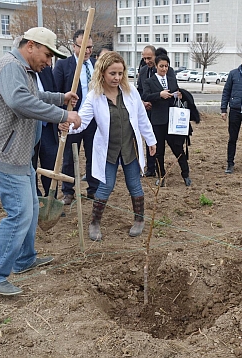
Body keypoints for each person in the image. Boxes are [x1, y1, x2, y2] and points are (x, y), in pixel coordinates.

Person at [0, 27, 81, 296]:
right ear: (30, 46)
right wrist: (62, 115)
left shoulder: (25, 71)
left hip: (19, 156)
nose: (49, 62)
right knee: (20, 213)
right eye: (47, 55)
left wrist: (60, 98)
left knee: (31, 208)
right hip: (3, 157)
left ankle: (24, 259)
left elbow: (32, 96)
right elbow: (20, 102)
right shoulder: (11, 66)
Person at [71, 51, 157, 241]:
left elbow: (142, 118)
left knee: (134, 184)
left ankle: (139, 220)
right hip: (108, 150)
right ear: (102, 72)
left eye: (120, 73)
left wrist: (150, 140)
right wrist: (68, 126)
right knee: (105, 185)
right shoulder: (95, 96)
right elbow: (82, 121)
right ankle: (94, 223)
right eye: (113, 73)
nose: (117, 78)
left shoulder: (130, 92)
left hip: (129, 147)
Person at [53, 29, 99, 205]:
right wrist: (60, 118)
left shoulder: (96, 64)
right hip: (71, 117)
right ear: (74, 46)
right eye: (83, 47)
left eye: (90, 47)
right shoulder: (64, 65)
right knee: (69, 157)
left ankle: (93, 189)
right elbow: (56, 93)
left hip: (93, 120)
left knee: (92, 154)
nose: (87, 51)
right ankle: (68, 191)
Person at [142, 54, 191, 187]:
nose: (164, 69)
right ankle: (161, 176)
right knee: (159, 151)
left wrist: (179, 95)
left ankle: (186, 174)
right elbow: (145, 95)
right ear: (156, 66)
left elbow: (177, 93)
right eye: (161, 66)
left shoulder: (172, 79)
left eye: (166, 66)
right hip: (158, 121)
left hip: (172, 121)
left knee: (177, 148)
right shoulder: (149, 81)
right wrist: (159, 95)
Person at [31, 65, 58, 197]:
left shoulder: (45, 69)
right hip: (29, 126)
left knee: (51, 163)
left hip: (48, 126)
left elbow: (52, 92)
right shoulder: (19, 71)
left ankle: (51, 199)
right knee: (31, 165)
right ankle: (35, 199)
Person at [137, 45, 160, 177]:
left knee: (159, 139)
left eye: (149, 58)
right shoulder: (144, 70)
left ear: (155, 56)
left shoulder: (163, 69)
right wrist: (143, 102)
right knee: (148, 137)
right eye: (144, 58)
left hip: (159, 110)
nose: (146, 61)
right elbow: (139, 90)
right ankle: (150, 168)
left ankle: (159, 165)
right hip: (147, 110)